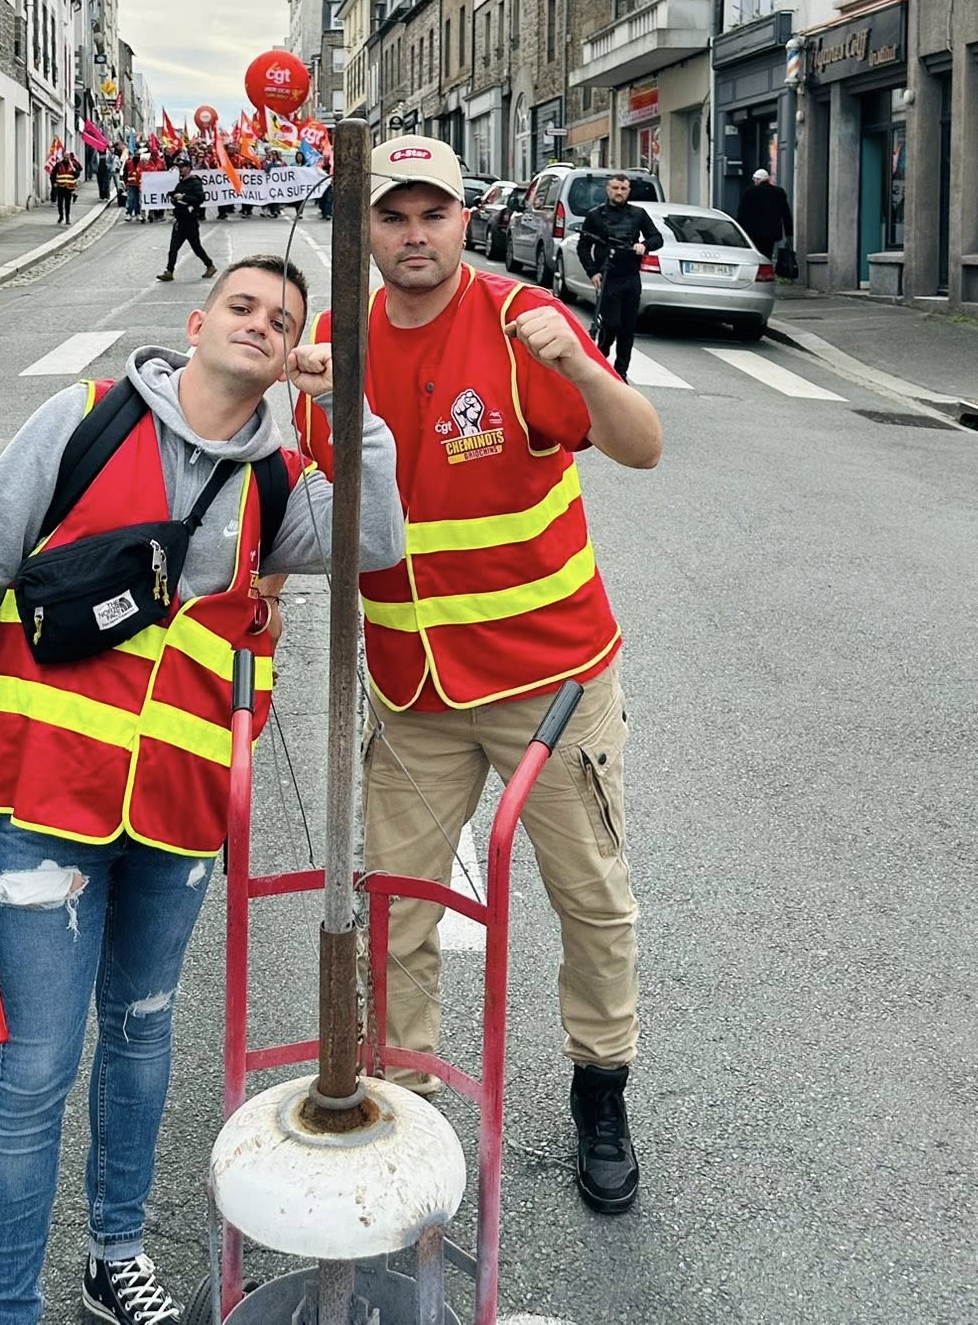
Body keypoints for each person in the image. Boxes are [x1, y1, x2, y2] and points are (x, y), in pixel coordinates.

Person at [0, 257, 405, 1325]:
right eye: (243, 306)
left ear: (292, 353)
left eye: (283, 321)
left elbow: (375, 539)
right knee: (35, 1068)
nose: (261, 325)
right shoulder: (82, 421)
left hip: (178, 813)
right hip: (46, 802)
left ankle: (113, 1254)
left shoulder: (276, 483)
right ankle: (4, 1306)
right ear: (197, 322)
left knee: (139, 1035)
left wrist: (347, 402)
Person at [297, 137, 663, 1216]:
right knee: (397, 906)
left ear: (466, 221)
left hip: (549, 686)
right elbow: (303, 504)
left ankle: (602, 1085)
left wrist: (583, 365)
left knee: (589, 896)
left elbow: (643, 445)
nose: (415, 235)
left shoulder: (517, 324)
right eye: (393, 216)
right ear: (365, 230)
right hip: (413, 690)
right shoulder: (335, 349)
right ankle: (404, 1098)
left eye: (434, 214)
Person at [577, 174, 661, 381]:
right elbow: (583, 246)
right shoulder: (595, 215)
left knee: (627, 329)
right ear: (608, 189)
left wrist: (645, 245)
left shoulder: (638, 214)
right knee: (611, 324)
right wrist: (592, 271)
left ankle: (621, 372)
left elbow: (657, 238)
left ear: (628, 191)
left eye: (623, 189)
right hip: (608, 277)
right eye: (615, 188)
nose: (619, 192)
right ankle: (601, 356)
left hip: (630, 277)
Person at [157, 156, 215, 281]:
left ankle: (210, 265)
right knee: (173, 249)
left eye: (182, 167)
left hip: (190, 221)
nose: (180, 169)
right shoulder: (181, 183)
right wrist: (173, 197)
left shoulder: (195, 183)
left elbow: (200, 199)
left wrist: (184, 197)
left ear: (189, 168)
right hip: (180, 220)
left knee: (196, 247)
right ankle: (169, 271)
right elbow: (176, 198)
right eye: (179, 167)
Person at [737, 166, 793, 262]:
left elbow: (742, 213)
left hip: (753, 232)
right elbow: (786, 214)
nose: (754, 182)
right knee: (767, 255)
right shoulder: (779, 192)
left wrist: (740, 232)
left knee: (755, 256)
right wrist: (789, 234)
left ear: (759, 180)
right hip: (771, 233)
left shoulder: (750, 192)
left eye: (755, 180)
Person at [52, 151, 80, 227]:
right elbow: (53, 174)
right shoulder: (58, 164)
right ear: (63, 156)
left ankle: (67, 218)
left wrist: (74, 170)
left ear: (70, 157)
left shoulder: (73, 164)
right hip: (60, 186)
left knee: (67, 203)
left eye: (67, 156)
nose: (66, 157)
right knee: (60, 203)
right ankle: (61, 216)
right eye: (65, 156)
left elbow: (77, 175)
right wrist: (54, 182)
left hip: (69, 187)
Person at [122, 149, 146, 224]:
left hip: (139, 184)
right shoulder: (128, 163)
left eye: (139, 155)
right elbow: (125, 173)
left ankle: (137, 213)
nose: (138, 156)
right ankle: (129, 213)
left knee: (138, 200)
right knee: (131, 199)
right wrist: (125, 182)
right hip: (131, 184)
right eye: (137, 154)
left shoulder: (142, 163)